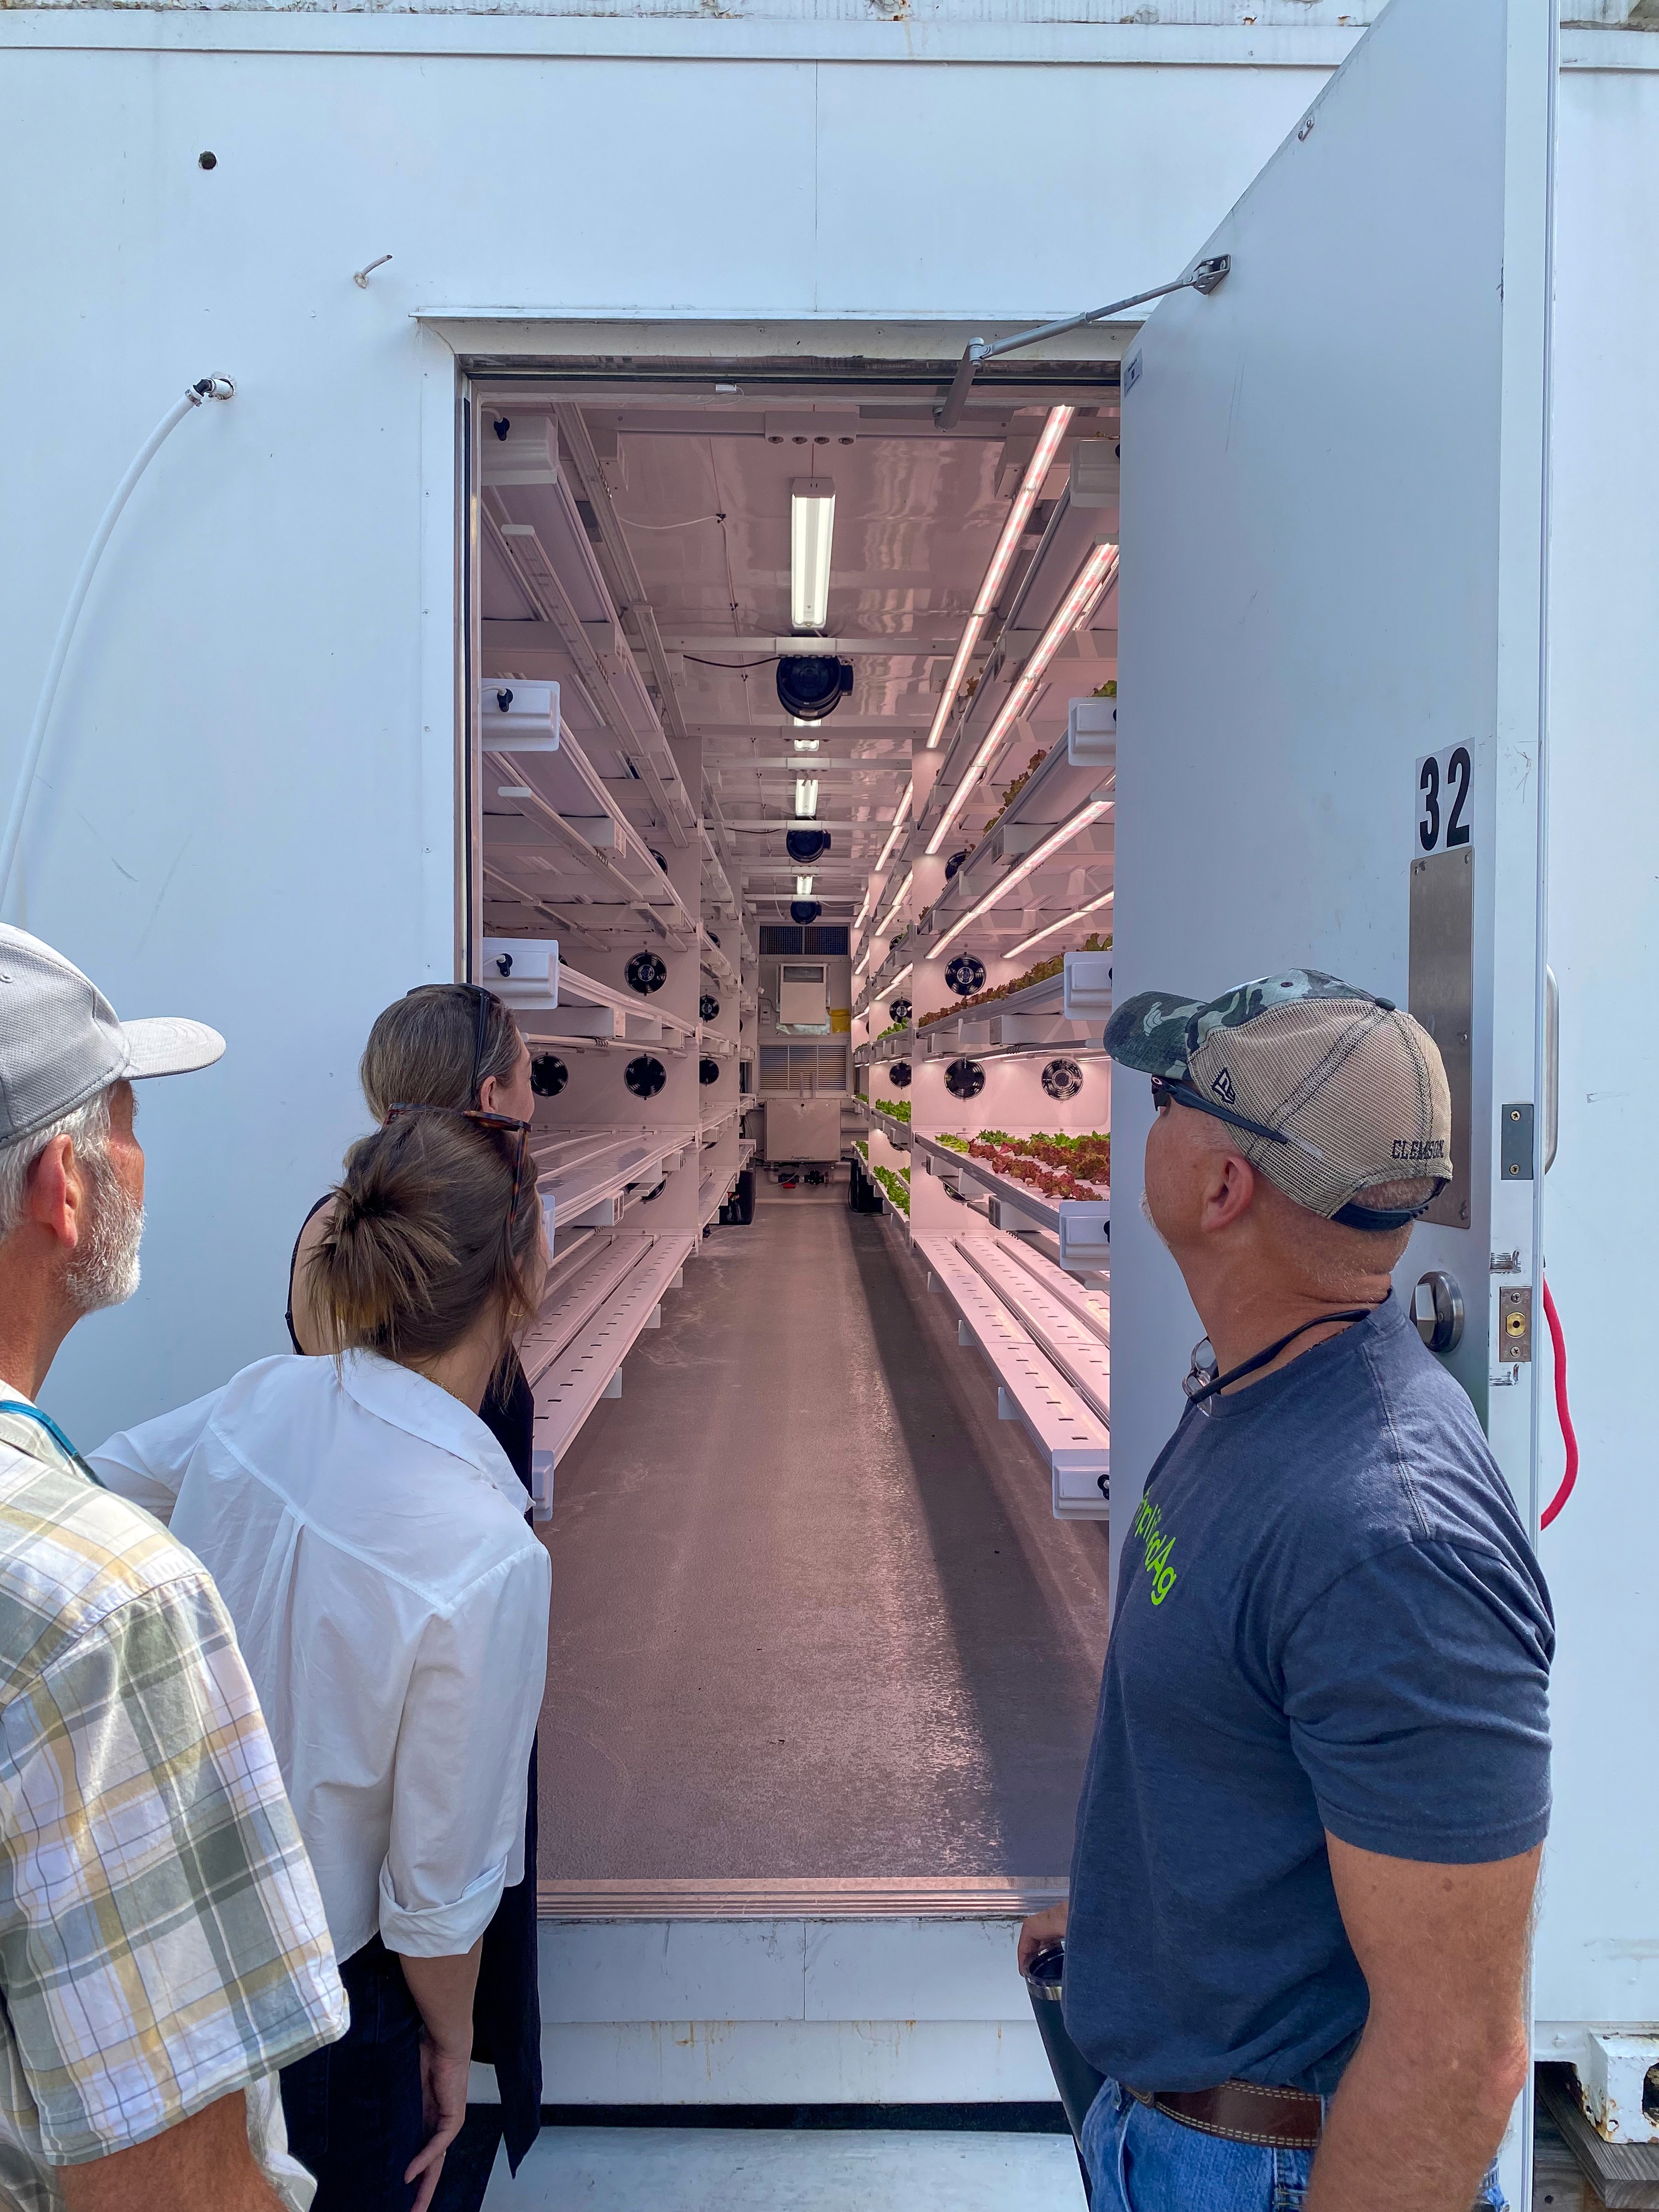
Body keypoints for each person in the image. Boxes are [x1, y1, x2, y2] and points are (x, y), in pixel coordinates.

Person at [1019, 969, 1553, 2212]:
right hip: (1181, 2124)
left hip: (1266, 2170)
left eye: (1168, 1096)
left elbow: (1457, 2058)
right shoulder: (1262, 1392)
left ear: (1224, 1188)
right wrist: (1127, 1918)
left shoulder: (1394, 1543)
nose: (1143, 1115)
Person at [92, 1102, 552, 2212]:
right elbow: (436, 1897)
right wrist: (453, 2047)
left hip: (176, 1938)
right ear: (518, 1278)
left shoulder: (265, 1397)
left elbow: (93, 1484)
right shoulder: (487, 1555)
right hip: (330, 2008)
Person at [0, 925, 347, 2210]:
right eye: (128, 1122)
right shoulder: (99, 1608)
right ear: (66, 1188)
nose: (143, 1158)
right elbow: (167, 2187)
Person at [284, 984, 544, 2209]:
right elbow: (440, 1872)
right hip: (426, 1626)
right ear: (492, 1094)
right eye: (529, 1080)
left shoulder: (340, 1232)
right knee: (428, 1855)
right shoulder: (476, 1235)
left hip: (338, 1668)